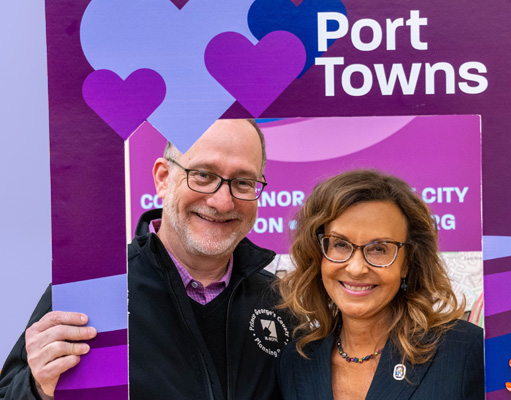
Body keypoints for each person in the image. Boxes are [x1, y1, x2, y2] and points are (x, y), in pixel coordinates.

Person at [0, 119, 292, 400]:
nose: (222, 201)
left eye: (242, 182)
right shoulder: (93, 293)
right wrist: (36, 389)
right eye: (203, 175)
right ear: (163, 178)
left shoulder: (282, 303)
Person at [277, 169, 511, 400]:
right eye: (340, 245)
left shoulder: (468, 351)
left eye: (380, 248)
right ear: (318, 253)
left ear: (408, 261)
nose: (356, 268)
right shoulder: (296, 359)